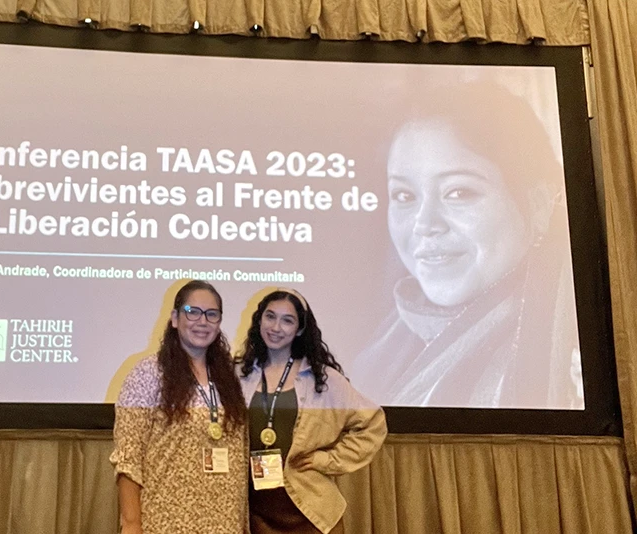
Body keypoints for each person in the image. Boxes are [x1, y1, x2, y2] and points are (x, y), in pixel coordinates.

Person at [352, 81, 584, 409]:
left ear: (541, 203)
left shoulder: (588, 353)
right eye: (404, 195)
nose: (424, 225)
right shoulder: (378, 350)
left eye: (459, 192)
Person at [238, 288, 387, 534]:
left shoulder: (323, 379)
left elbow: (373, 424)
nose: (276, 327)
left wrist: (326, 460)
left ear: (299, 329)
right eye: (270, 316)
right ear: (259, 319)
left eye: (287, 320)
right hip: (253, 516)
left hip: (309, 515)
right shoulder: (239, 375)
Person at [110, 280, 247, 534]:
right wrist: (131, 524)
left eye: (212, 314)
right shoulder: (148, 373)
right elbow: (128, 458)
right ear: (174, 318)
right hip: (166, 522)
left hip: (224, 522)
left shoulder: (231, 379)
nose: (202, 321)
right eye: (192, 312)